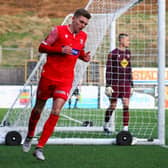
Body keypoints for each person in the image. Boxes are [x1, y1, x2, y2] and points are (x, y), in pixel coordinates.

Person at [22, 8, 91, 160]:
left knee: (56, 110)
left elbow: (77, 52)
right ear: (73, 19)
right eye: (81, 22)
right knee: (38, 108)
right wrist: (60, 49)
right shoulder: (57, 31)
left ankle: (40, 147)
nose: (83, 26)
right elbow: (42, 48)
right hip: (48, 77)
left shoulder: (83, 36)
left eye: (85, 24)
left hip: (65, 80)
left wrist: (83, 57)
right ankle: (30, 135)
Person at [103, 33, 134, 135]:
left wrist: (132, 84)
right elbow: (108, 70)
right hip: (115, 83)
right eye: (127, 40)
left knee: (126, 104)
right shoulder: (113, 54)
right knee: (113, 105)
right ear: (121, 41)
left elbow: (129, 69)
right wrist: (108, 85)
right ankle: (106, 125)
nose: (128, 42)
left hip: (125, 84)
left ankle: (125, 129)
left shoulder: (128, 53)